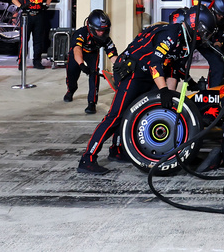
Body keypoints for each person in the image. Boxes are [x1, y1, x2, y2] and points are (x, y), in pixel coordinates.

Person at [78, 9, 213, 175]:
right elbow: (155, 63)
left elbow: (176, 67)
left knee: (138, 111)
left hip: (147, 73)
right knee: (116, 115)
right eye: (205, 31)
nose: (206, 36)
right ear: (196, 26)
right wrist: (163, 90)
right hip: (132, 71)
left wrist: (189, 84)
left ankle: (117, 150)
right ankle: (87, 158)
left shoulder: (187, 40)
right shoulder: (171, 33)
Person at [65, 10, 118, 114]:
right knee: (72, 74)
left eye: (104, 30)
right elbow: (77, 50)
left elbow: (113, 55)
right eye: (99, 30)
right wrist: (81, 65)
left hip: (92, 54)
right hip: (77, 54)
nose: (101, 33)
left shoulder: (106, 39)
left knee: (94, 75)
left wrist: (120, 67)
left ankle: (92, 103)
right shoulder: (81, 33)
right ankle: (70, 90)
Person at [10, 0, 56, 69]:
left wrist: (47, 4)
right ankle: (21, 62)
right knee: (24, 39)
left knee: (38, 40)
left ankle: (37, 61)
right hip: (27, 16)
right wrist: (20, 6)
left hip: (39, 15)